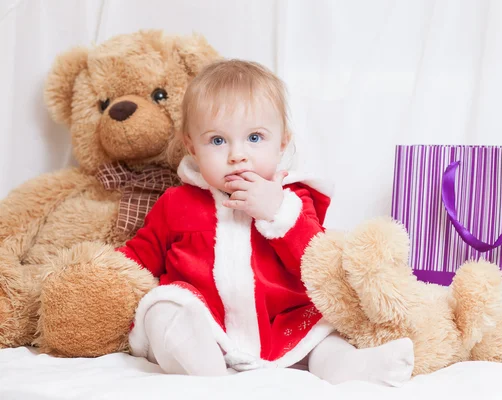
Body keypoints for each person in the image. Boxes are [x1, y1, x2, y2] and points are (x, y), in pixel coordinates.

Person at [123, 59, 414, 386]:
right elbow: (138, 260)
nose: (237, 155)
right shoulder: (176, 203)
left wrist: (278, 212)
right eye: (218, 141)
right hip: (207, 320)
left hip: (284, 325)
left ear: (282, 141)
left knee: (324, 341)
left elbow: (316, 265)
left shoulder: (294, 199)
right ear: (191, 145)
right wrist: (105, 276)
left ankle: (351, 367)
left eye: (255, 138)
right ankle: (198, 363)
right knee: (162, 307)